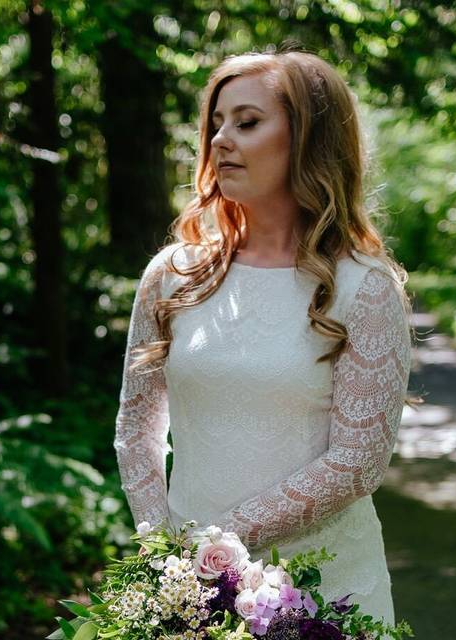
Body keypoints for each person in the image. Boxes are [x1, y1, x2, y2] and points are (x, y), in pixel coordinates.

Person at [112, 46, 415, 625]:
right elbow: (136, 428)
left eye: (247, 123)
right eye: (217, 123)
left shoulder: (364, 287)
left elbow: (357, 462)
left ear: (309, 139)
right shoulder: (173, 275)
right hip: (187, 595)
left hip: (326, 595)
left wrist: (219, 545)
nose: (221, 139)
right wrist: (165, 552)